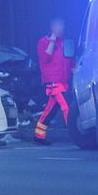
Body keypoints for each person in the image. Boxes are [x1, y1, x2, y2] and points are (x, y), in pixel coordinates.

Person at [34, 17, 73, 145]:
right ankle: (75, 134)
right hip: (53, 82)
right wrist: (52, 41)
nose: (62, 29)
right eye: (59, 26)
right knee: (67, 107)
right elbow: (45, 58)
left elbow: (69, 59)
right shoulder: (43, 42)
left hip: (63, 81)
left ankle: (39, 135)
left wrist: (74, 69)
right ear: (53, 28)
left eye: (63, 26)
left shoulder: (63, 43)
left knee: (51, 109)